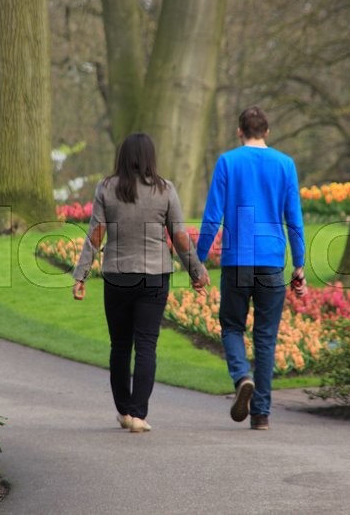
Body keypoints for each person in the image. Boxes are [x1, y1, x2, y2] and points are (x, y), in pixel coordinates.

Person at [72, 132, 210, 433]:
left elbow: (95, 235)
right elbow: (180, 236)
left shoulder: (106, 188)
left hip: (118, 277)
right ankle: (138, 414)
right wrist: (196, 271)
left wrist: (80, 275)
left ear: (122, 156)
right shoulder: (165, 189)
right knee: (146, 345)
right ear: (150, 157)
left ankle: (123, 411)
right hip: (155, 276)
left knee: (120, 345)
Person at [196, 106, 307, 431]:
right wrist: (299, 264)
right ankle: (261, 414)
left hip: (238, 260)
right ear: (267, 132)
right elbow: (294, 219)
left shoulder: (228, 162)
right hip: (271, 261)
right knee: (266, 338)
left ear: (239, 131)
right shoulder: (285, 165)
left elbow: (213, 216)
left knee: (232, 327)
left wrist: (198, 260)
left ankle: (241, 376)